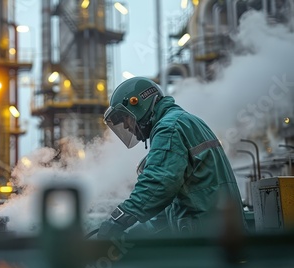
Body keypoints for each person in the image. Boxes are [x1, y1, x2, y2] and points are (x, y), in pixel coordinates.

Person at [98, 76, 246, 239]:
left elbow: (159, 183)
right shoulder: (185, 121)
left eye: (125, 118)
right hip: (221, 231)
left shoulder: (169, 128)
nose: (126, 126)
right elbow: (179, 190)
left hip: (206, 240)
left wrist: (120, 219)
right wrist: (145, 229)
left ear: (138, 105)